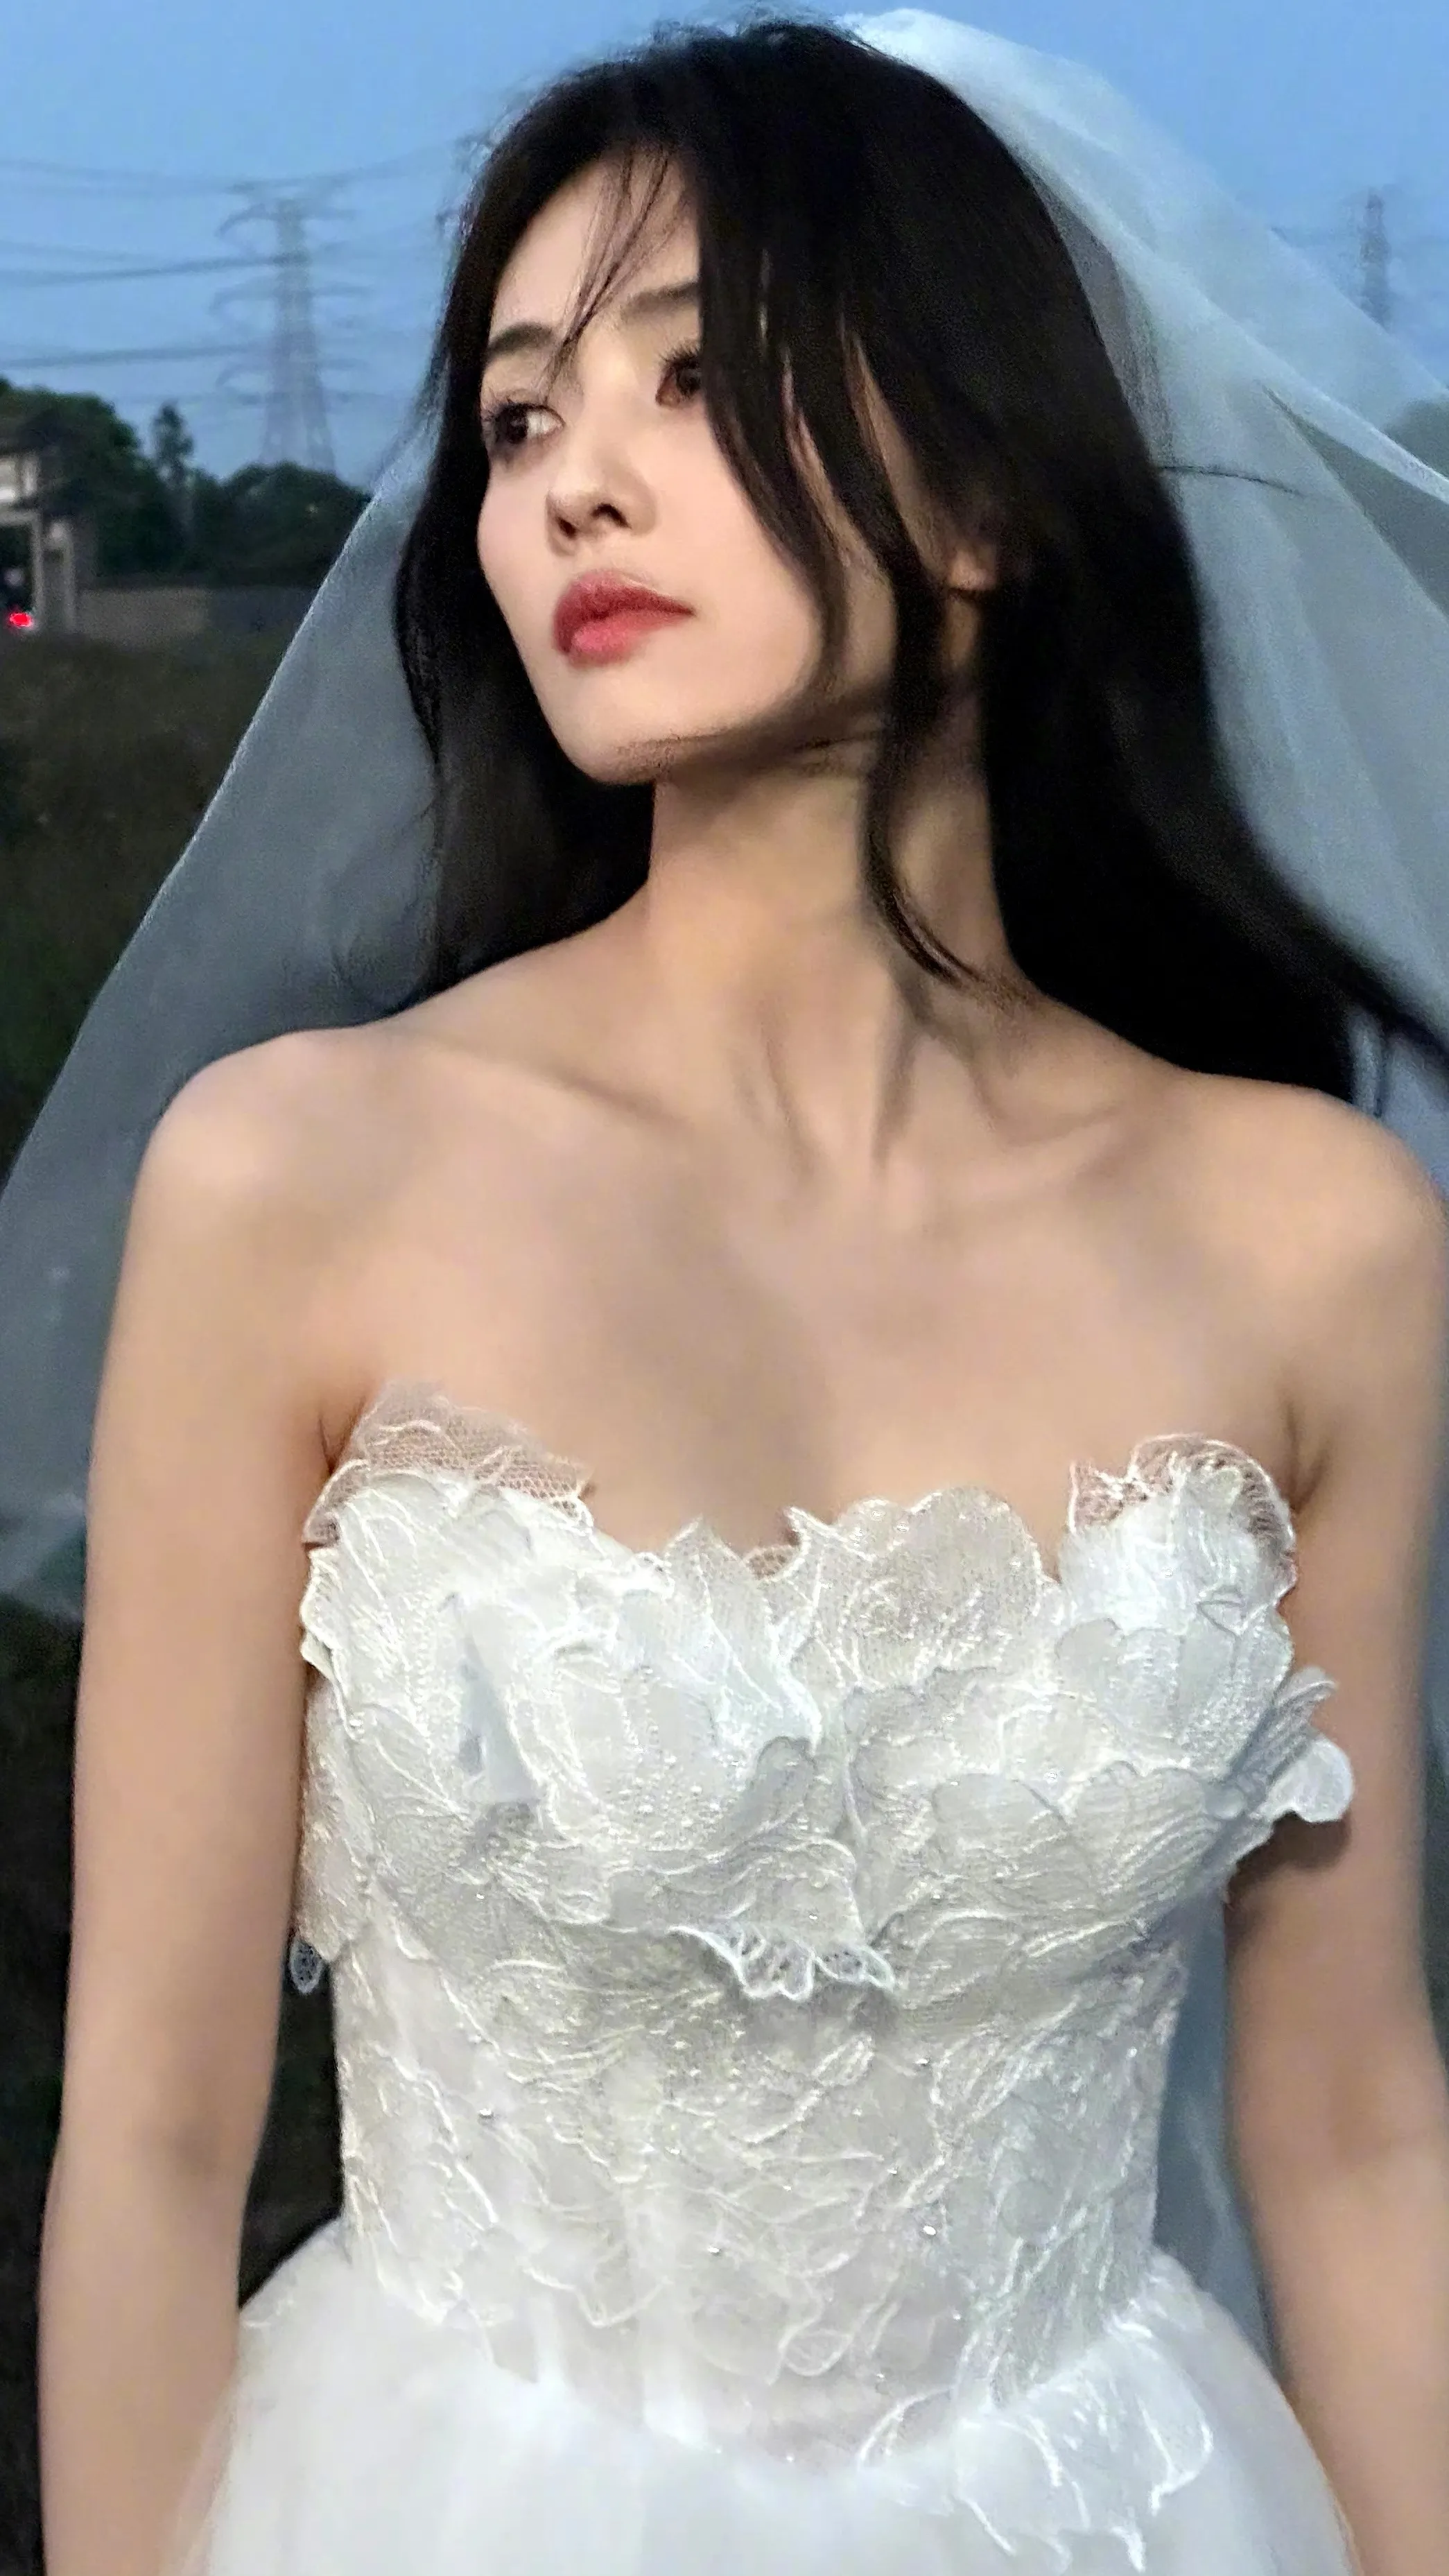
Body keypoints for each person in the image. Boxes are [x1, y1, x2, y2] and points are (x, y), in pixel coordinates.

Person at [19, 10, 1449, 2573]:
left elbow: (1352, 2132)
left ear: (990, 493)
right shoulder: (300, 1180)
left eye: (693, 377)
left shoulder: (1316, 1240)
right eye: (518, 414)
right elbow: (146, 2125)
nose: (575, 478)